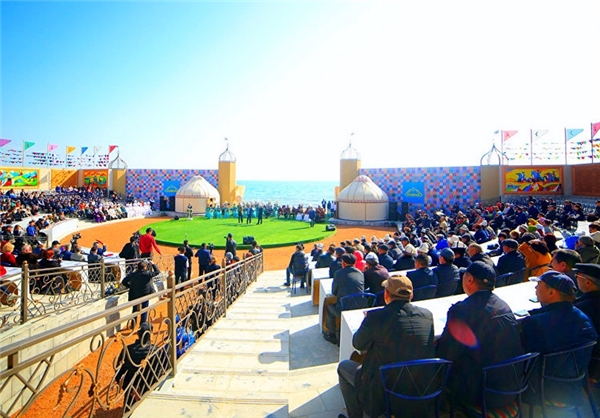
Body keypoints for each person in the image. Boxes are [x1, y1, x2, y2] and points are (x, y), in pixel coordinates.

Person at [337, 275, 435, 418]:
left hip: (384, 390)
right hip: (422, 387)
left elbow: (358, 344)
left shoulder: (375, 317)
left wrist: (367, 323)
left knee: (343, 367)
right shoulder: (427, 315)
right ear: (411, 295)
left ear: (386, 294)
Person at [436, 262, 524, 409]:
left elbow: (446, 353)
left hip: (482, 392)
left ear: (470, 279)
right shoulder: (503, 305)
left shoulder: (461, 311)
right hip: (514, 386)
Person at [521, 271, 597, 405]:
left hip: (543, 389)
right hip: (575, 386)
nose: (535, 288)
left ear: (551, 292)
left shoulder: (535, 323)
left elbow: (525, 358)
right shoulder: (584, 318)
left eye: (539, 285)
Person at [324, 253, 364, 345]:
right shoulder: (360, 273)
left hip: (345, 307)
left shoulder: (338, 273)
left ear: (344, 263)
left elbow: (334, 292)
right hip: (360, 306)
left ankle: (332, 335)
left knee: (329, 307)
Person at [573, 263, 600, 378]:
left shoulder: (582, 308)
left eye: (577, 276)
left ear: (588, 282)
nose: (576, 279)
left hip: (589, 363)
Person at [122, 260, 160, 324]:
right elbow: (157, 272)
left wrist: (130, 286)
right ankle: (142, 324)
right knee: (144, 309)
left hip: (134, 294)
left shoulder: (132, 274)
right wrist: (153, 264)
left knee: (134, 309)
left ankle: (133, 324)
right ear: (145, 267)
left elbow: (124, 281)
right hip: (145, 294)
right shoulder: (147, 274)